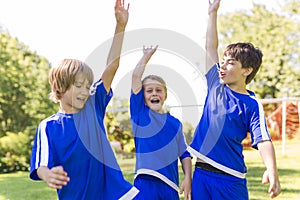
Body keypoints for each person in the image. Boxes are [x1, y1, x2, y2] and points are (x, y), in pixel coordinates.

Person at [29, 0, 139, 199]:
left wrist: (120, 26)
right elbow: (40, 165)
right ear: (60, 88)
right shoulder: (48, 127)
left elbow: (111, 67)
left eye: (87, 86)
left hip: (114, 195)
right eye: (78, 85)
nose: (85, 91)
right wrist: (48, 175)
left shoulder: (93, 105)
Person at [187, 0, 281, 199]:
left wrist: (272, 171)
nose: (223, 66)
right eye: (223, 61)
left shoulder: (251, 104)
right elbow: (210, 46)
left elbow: (263, 139)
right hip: (201, 173)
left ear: (246, 70)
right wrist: (213, 13)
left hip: (231, 179)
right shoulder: (215, 85)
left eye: (230, 63)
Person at [130, 45, 192, 200]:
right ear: (143, 96)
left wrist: (188, 178)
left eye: (158, 90)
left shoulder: (175, 123)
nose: (154, 93)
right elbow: (136, 78)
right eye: (149, 90)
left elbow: (184, 154)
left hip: (170, 186)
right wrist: (146, 57)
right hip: (145, 181)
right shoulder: (140, 114)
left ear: (165, 95)